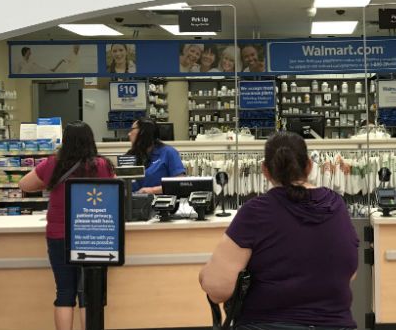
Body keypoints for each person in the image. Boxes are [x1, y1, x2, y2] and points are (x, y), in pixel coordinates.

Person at [199, 132, 359, 329]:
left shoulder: (256, 212)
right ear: (309, 166)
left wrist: (204, 275)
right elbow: (350, 273)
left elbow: (218, 289)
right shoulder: (336, 205)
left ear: (265, 170)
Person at [18, 122, 115, 330]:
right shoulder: (102, 165)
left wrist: (48, 182)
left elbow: (24, 184)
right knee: (89, 294)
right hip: (93, 234)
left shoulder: (53, 164)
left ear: (65, 140)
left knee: (64, 292)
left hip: (58, 235)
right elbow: (115, 192)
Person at [125, 117, 185, 194]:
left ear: (143, 132)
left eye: (132, 129)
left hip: (159, 202)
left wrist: (152, 191)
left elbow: (180, 183)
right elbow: (122, 182)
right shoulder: (129, 155)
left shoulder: (168, 153)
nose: (129, 134)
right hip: (132, 204)